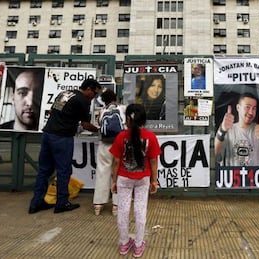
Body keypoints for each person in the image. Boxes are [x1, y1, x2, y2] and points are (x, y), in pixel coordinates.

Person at [28, 79, 101, 214]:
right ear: (89, 89)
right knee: (64, 171)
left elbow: (52, 111)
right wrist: (100, 130)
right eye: (95, 94)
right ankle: (61, 203)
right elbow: (85, 124)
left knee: (44, 170)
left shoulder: (65, 93)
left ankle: (36, 203)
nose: (94, 97)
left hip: (47, 134)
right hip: (62, 138)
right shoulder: (83, 100)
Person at [110, 103, 160, 257]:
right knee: (140, 211)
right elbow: (153, 161)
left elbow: (117, 162)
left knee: (123, 211)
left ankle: (124, 244)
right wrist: (154, 180)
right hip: (143, 179)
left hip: (123, 179)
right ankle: (138, 245)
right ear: (143, 119)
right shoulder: (150, 137)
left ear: (127, 119)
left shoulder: (121, 137)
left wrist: (114, 180)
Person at [214, 92, 259, 167]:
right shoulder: (227, 129)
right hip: (232, 178)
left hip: (256, 178)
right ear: (238, 108)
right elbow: (216, 156)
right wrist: (222, 130)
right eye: (247, 107)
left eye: (254, 108)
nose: (251, 112)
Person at [93, 89, 126, 216]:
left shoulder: (102, 111)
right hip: (120, 145)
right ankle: (116, 206)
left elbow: (99, 126)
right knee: (118, 173)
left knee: (102, 172)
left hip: (104, 145)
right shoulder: (123, 108)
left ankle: (98, 204)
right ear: (116, 98)